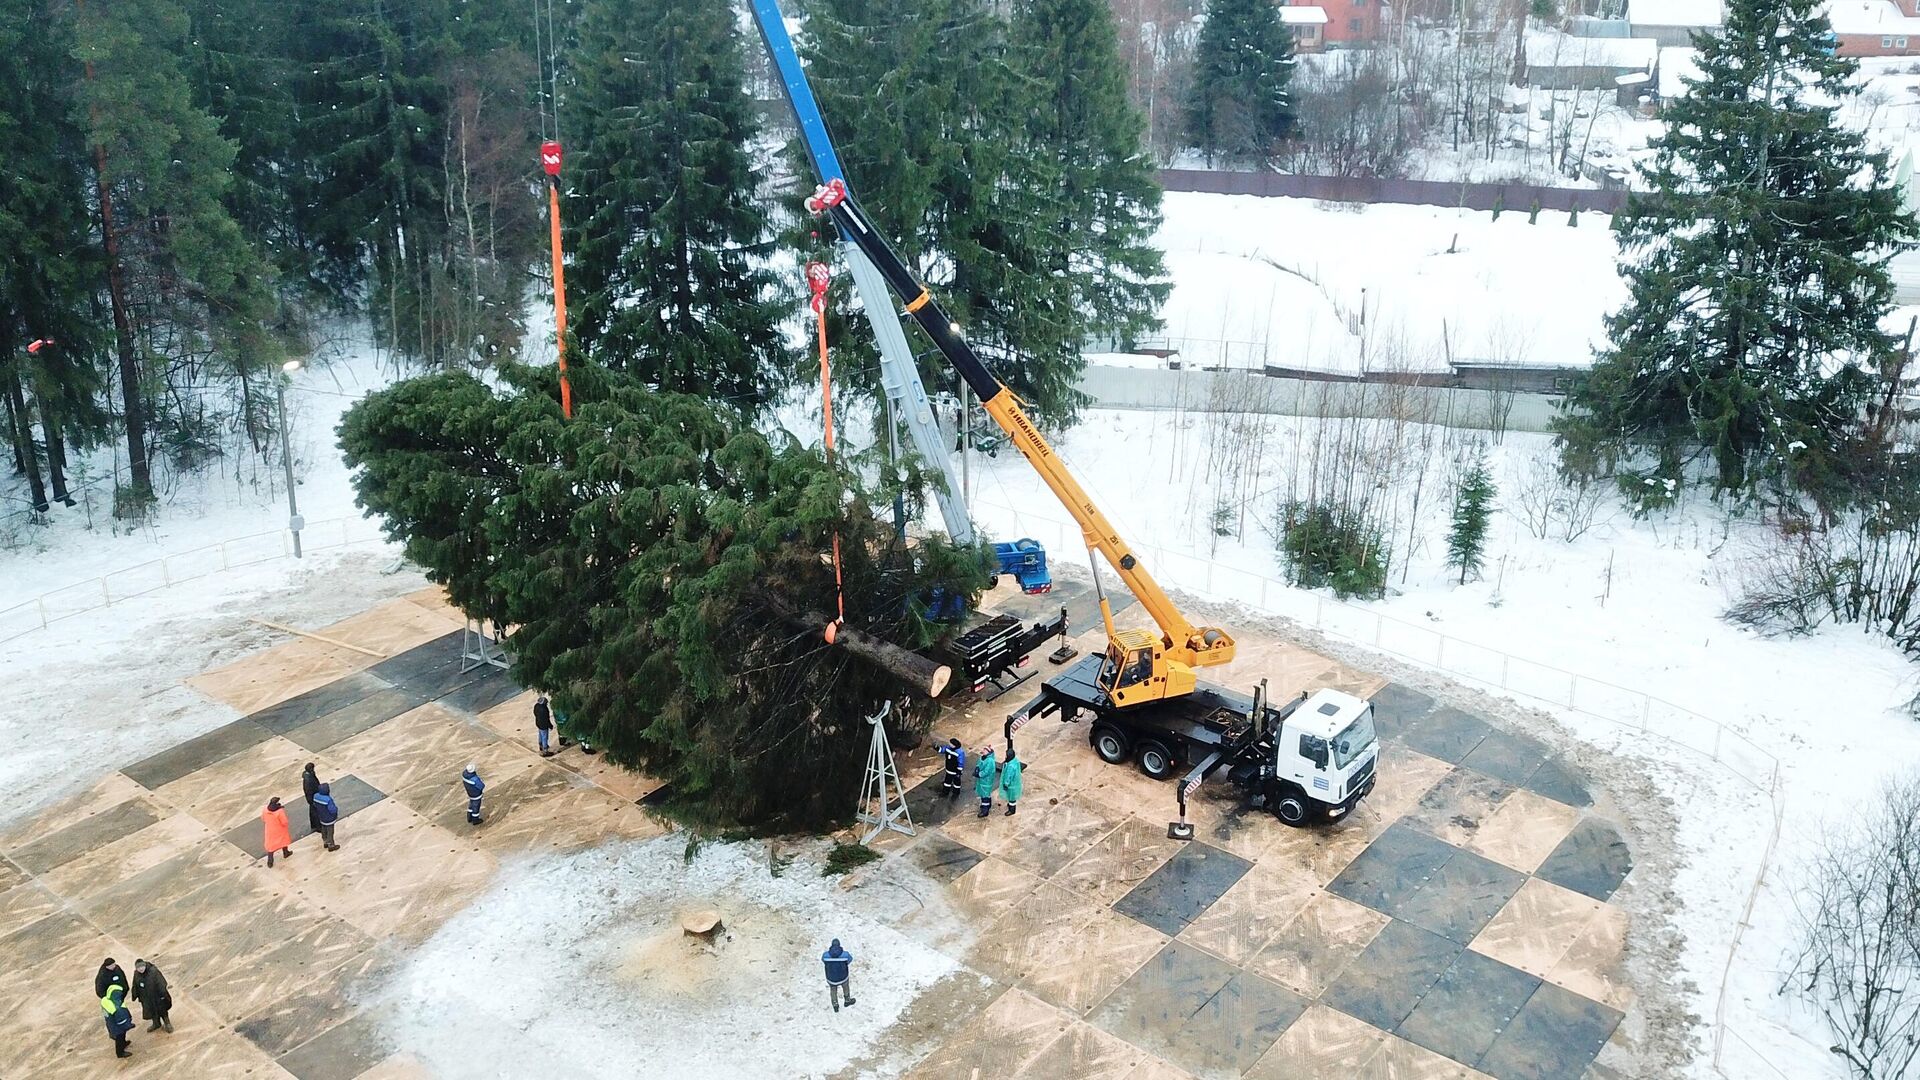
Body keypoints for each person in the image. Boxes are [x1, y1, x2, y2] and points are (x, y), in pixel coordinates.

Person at [130, 960, 172, 1033]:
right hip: (146, 998)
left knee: (162, 1010)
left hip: (157, 996)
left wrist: (163, 994)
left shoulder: (153, 971)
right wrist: (134, 995)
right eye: (138, 968)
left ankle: (167, 1024)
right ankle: (156, 1023)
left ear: (145, 965)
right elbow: (135, 985)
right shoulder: (136, 974)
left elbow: (161, 982)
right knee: (151, 1011)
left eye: (142, 966)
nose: (141, 969)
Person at [821, 939, 856, 1012]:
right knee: (846, 987)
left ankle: (835, 1004)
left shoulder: (825, 955)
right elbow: (850, 960)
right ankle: (847, 1000)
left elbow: (823, 961)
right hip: (843, 977)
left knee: (833, 990)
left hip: (831, 978)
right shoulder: (845, 955)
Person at [101, 982, 135, 1058]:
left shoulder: (105, 1000)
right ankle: (120, 1053)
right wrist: (128, 1024)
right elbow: (121, 1020)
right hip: (117, 1026)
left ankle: (123, 1043)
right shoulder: (116, 1007)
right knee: (120, 1037)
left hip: (111, 1024)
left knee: (121, 1037)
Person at [261, 798, 292, 867]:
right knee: (283, 841)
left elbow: (263, 818)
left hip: (269, 830)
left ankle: (270, 862)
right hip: (280, 830)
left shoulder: (265, 809)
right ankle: (285, 852)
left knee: (271, 846)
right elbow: (284, 822)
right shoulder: (279, 811)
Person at [313, 784, 340, 851]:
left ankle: (325, 842)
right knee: (330, 832)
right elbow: (333, 810)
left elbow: (314, 805)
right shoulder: (328, 800)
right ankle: (331, 845)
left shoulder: (315, 796)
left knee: (323, 829)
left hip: (321, 817)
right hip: (329, 819)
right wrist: (336, 809)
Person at [974, 746, 998, 818]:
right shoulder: (983, 757)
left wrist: (979, 774)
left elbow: (987, 771)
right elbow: (979, 764)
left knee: (985, 796)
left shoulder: (990, 761)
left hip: (986, 781)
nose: (983, 751)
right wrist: (977, 768)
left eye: (985, 750)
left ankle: (985, 811)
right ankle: (986, 805)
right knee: (984, 794)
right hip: (982, 781)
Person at [999, 749, 1023, 816]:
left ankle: (1012, 810)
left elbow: (1008, 776)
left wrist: (1006, 784)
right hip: (1015, 783)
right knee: (1012, 796)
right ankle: (1011, 805)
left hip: (1011, 784)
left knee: (1012, 798)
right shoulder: (1015, 761)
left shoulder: (1010, 766)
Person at [301, 763, 323, 833]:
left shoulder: (310, 775)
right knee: (315, 812)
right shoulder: (308, 780)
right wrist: (311, 801)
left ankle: (314, 825)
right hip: (312, 797)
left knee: (313, 811)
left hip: (314, 796)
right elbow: (308, 791)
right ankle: (318, 827)